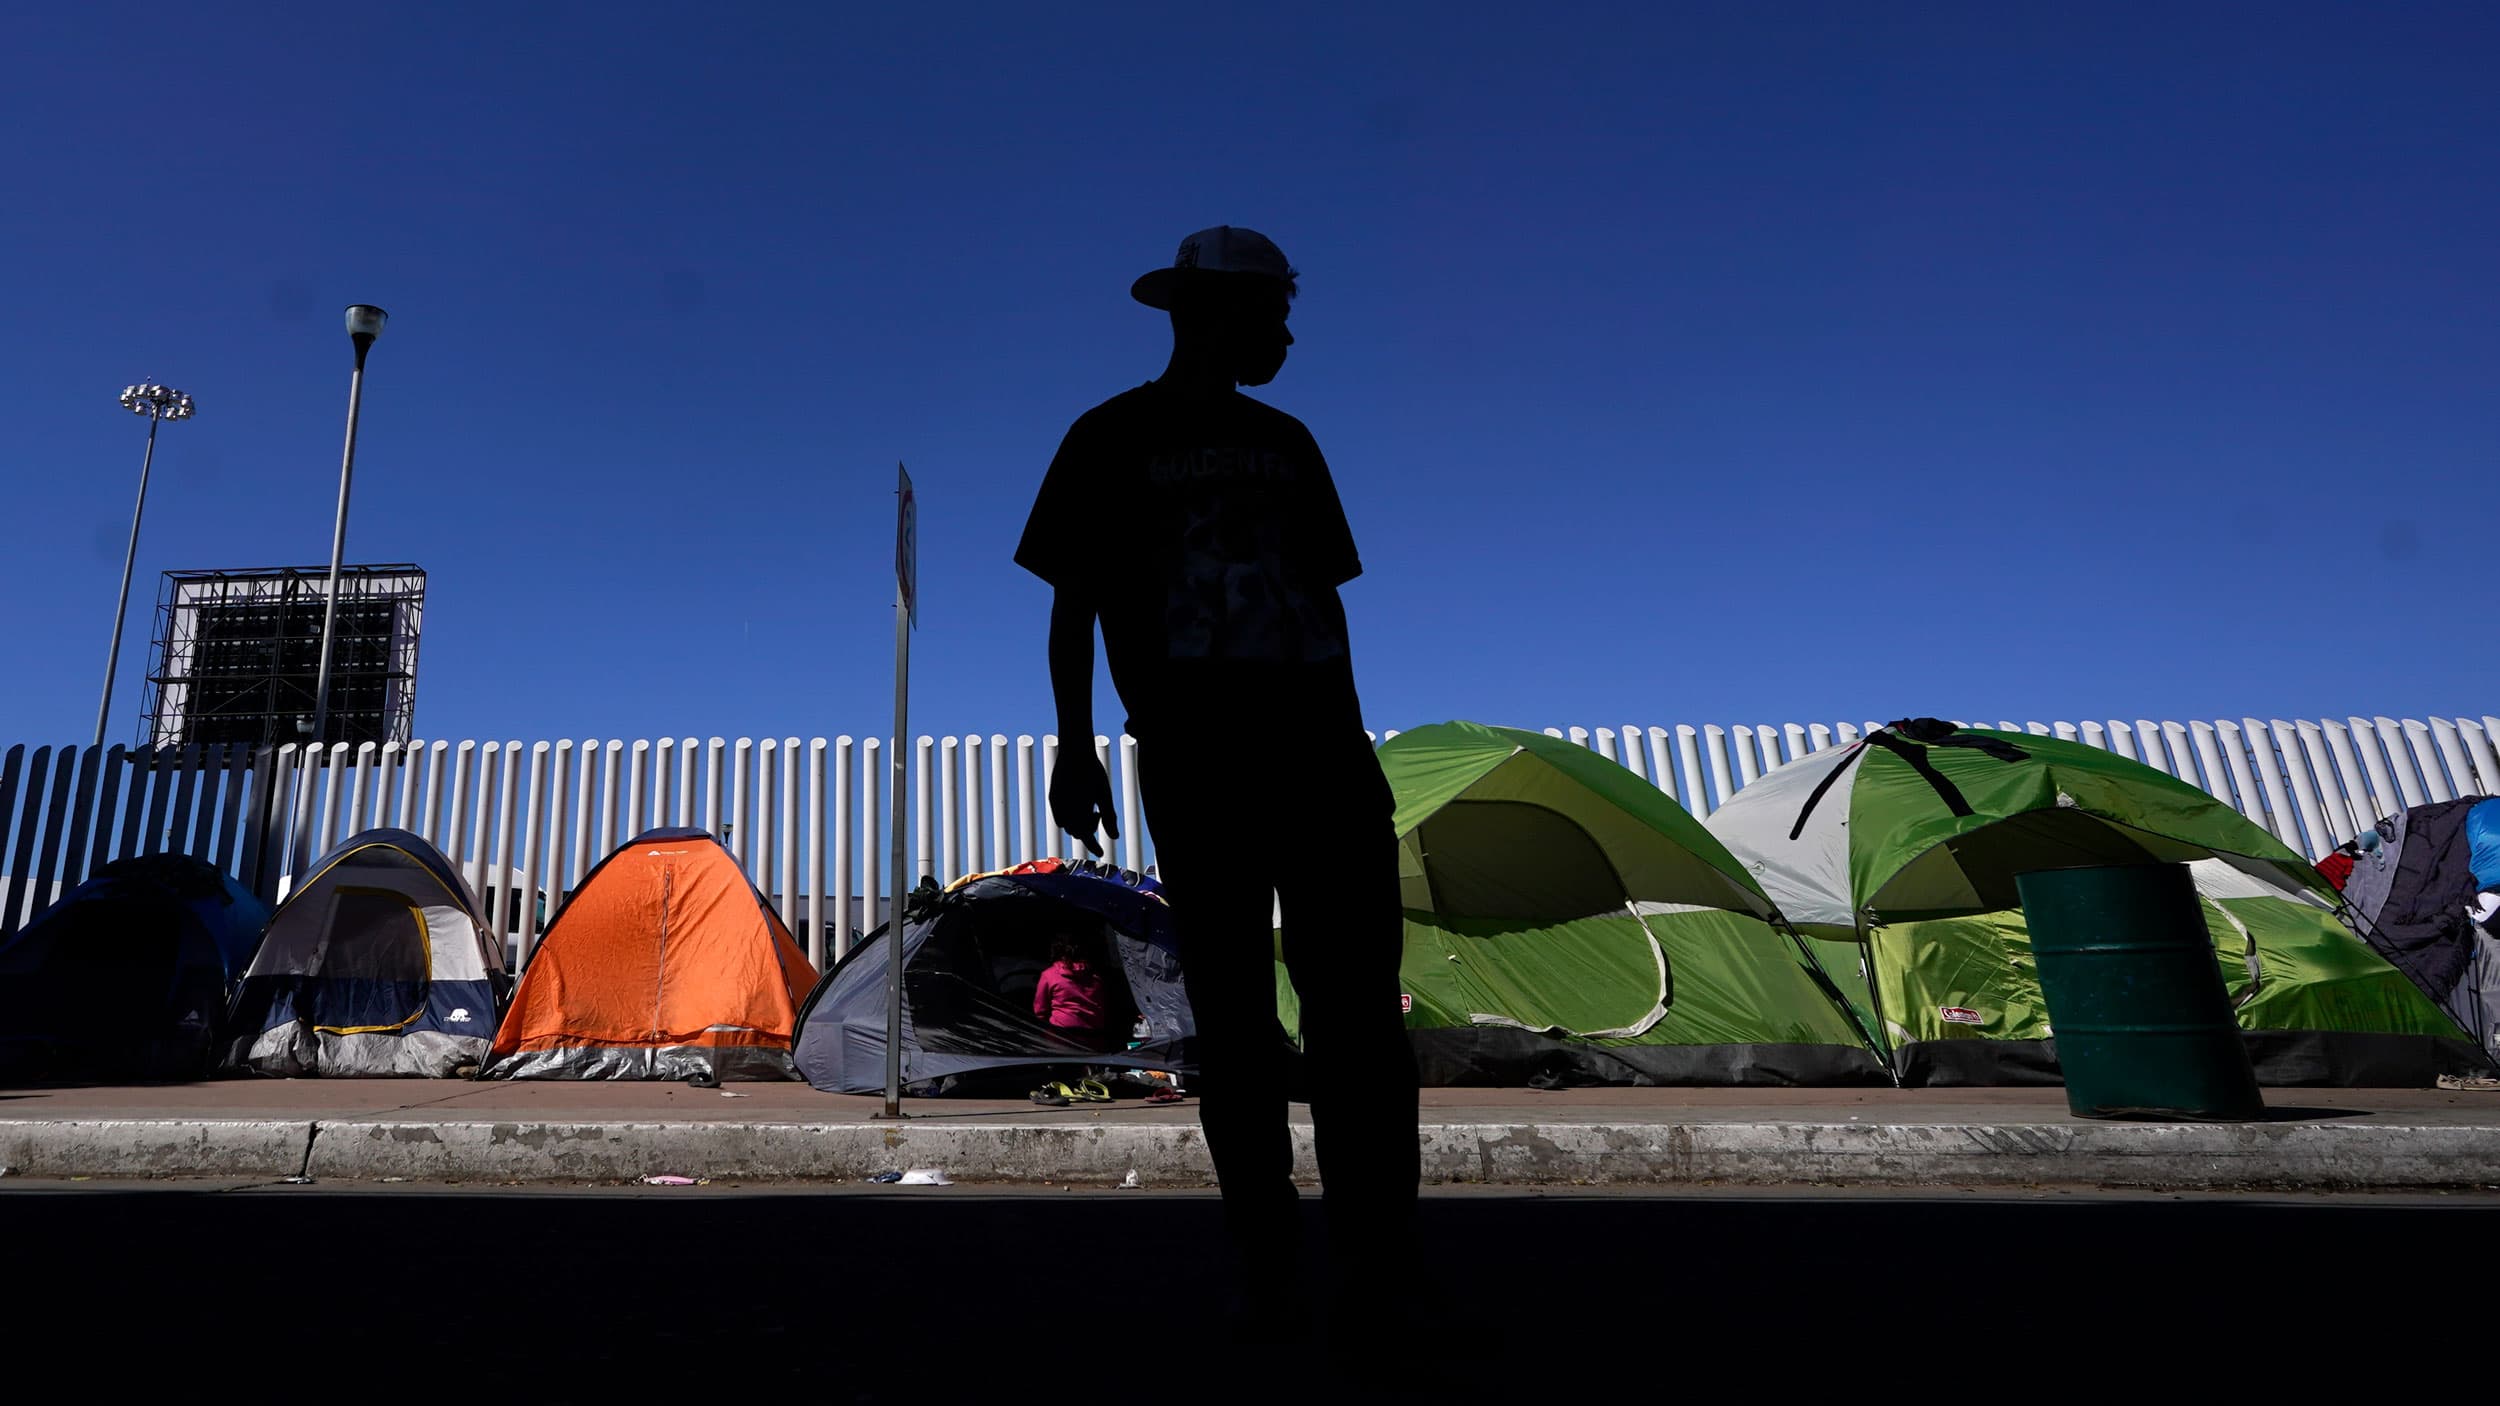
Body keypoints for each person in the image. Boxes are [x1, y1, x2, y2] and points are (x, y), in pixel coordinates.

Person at [1014, 225, 1419, 1349]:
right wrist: (1074, 742)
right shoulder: (1107, 436)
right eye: (1271, 312)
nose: (1286, 333)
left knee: (1357, 1021)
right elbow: (1072, 601)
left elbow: (1322, 609)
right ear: (1206, 311)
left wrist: (1350, 750)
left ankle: (1379, 1266)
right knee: (1237, 1019)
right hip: (1196, 756)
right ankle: (1270, 1264)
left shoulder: (1289, 442)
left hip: (1325, 755)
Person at [1032, 935, 1112, 1052]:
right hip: (1094, 1037)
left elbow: (1040, 1010)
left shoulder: (1049, 975)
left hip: (1061, 1037)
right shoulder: (1095, 977)